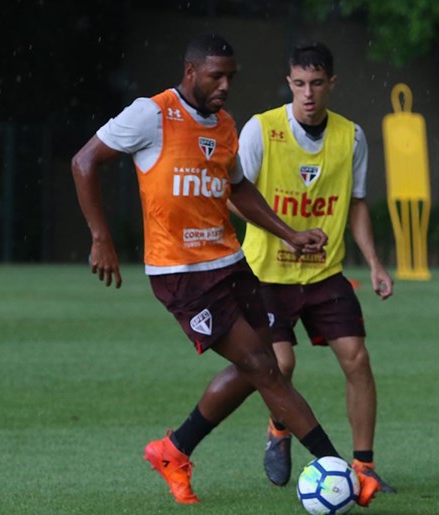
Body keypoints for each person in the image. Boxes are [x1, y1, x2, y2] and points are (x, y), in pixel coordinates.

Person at [70, 34, 379, 507]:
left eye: (231, 76)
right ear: (191, 72)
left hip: (231, 262)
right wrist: (101, 237)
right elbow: (84, 161)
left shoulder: (224, 125)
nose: (226, 85)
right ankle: (337, 469)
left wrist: (290, 234)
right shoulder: (151, 114)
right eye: (217, 75)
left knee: (263, 366)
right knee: (261, 366)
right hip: (181, 274)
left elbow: (240, 190)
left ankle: (173, 451)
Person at [235, 41, 396, 493]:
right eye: (300, 83)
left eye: (317, 83)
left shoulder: (352, 137)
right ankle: (279, 430)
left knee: (357, 359)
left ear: (332, 84)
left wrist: (376, 264)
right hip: (266, 273)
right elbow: (236, 197)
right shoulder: (260, 130)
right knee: (280, 364)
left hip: (325, 274)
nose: (308, 93)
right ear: (289, 82)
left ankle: (363, 468)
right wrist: (288, 233)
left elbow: (357, 204)